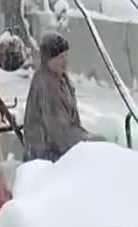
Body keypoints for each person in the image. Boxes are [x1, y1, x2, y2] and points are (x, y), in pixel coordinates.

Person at [23, 31, 105, 162]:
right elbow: (59, 135)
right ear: (48, 59)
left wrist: (87, 138)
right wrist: (87, 141)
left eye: (66, 55)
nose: (65, 61)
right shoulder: (46, 86)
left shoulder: (60, 79)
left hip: (60, 148)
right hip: (45, 156)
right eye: (60, 57)